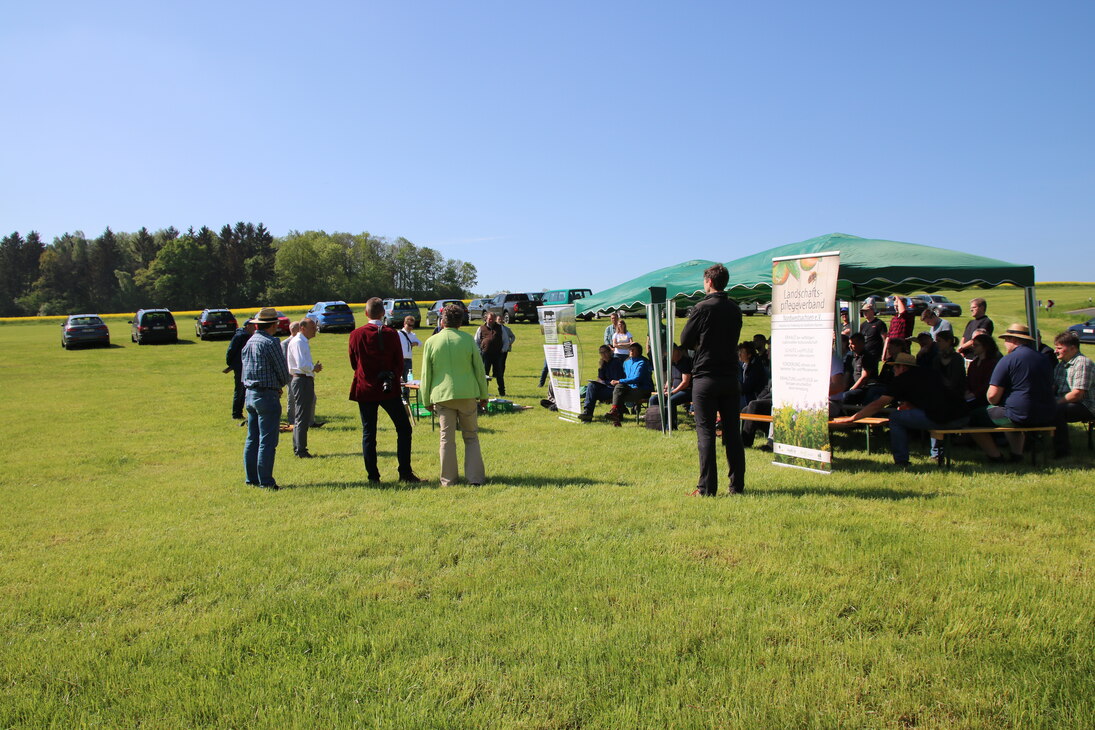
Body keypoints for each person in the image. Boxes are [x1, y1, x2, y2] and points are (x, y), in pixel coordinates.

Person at [833, 352, 969, 466]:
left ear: (902, 367)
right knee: (930, 414)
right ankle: (936, 454)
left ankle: (901, 461)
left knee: (896, 418)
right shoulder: (931, 373)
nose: (893, 371)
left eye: (895, 367)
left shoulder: (902, 380)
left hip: (942, 418)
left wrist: (853, 418)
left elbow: (878, 404)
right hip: (963, 416)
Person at [680, 263, 745, 496]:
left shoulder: (701, 307)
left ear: (709, 281)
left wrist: (701, 342)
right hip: (730, 376)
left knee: (706, 432)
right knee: (732, 434)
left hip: (706, 376)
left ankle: (706, 488)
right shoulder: (735, 309)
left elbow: (685, 340)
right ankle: (737, 487)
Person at [348, 297, 421, 483]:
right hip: (388, 388)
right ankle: (405, 472)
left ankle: (373, 476)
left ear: (366, 313)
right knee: (404, 428)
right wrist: (392, 376)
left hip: (365, 388)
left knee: (369, 433)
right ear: (383, 313)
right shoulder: (391, 333)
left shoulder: (356, 334)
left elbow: (353, 362)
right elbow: (399, 362)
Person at [421, 303, 489, 486]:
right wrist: (484, 395)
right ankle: (475, 478)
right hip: (467, 394)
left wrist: (425, 399)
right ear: (461, 322)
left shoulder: (431, 341)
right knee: (471, 436)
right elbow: (479, 370)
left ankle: (448, 480)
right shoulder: (467, 340)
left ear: (443, 321)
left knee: (446, 439)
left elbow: (426, 373)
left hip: (443, 396)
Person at [969, 323, 1055, 462]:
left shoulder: (1008, 359)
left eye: (1006, 340)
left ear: (1013, 340)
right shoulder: (1044, 359)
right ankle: (1016, 455)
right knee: (1008, 416)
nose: (1005, 344)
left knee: (973, 418)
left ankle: (995, 456)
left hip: (1019, 414)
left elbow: (992, 396)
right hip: (1047, 412)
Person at [240, 308, 291, 489]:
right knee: (267, 441)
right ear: (273, 324)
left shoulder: (249, 341)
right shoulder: (271, 342)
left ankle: (251, 478)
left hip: (250, 394)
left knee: (252, 438)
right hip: (267, 395)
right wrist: (279, 386)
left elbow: (244, 371)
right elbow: (283, 371)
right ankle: (266, 482)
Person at [1051, 331, 1095, 458]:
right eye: (1055, 348)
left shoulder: (1083, 363)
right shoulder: (1061, 365)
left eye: (1059, 348)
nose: (1055, 351)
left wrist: (1054, 402)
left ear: (1073, 348)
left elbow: (1078, 394)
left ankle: (1062, 452)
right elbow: (1054, 387)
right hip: (1066, 401)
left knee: (1057, 410)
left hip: (1086, 405)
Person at [287, 318, 323, 458]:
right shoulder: (299, 342)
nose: (315, 330)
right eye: (312, 328)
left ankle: (299, 447)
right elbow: (302, 364)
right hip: (302, 380)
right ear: (302, 328)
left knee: (301, 415)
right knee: (302, 416)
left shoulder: (302, 342)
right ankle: (301, 450)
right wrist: (314, 368)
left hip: (303, 379)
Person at [606, 343, 654, 426]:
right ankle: (616, 415)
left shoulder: (642, 362)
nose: (630, 351)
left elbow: (637, 378)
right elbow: (623, 375)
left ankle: (616, 415)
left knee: (618, 392)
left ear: (639, 352)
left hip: (643, 390)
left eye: (633, 350)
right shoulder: (626, 362)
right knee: (618, 391)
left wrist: (619, 381)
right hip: (630, 389)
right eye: (630, 349)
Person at [649, 343, 693, 427]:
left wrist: (672, 392)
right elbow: (671, 379)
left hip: (687, 391)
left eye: (669, 354)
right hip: (675, 390)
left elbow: (685, 382)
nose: (668, 357)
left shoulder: (685, 362)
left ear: (676, 351)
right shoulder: (672, 363)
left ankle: (671, 425)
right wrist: (666, 388)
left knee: (671, 400)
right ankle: (655, 423)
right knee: (654, 399)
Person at [578, 345, 625, 421]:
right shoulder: (604, 364)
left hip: (615, 389)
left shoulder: (616, 362)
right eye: (601, 353)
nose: (603, 355)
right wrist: (601, 367)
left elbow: (616, 380)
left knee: (592, 392)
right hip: (607, 387)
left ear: (610, 352)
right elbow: (600, 379)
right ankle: (587, 413)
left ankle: (588, 414)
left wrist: (604, 382)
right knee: (591, 385)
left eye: (605, 352)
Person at [475, 311, 514, 397]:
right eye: (489, 319)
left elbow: (506, 340)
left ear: (495, 319)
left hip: (498, 355)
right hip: (485, 355)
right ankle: (483, 392)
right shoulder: (481, 328)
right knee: (484, 375)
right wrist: (479, 351)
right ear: (486, 319)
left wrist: (503, 349)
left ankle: (502, 392)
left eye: (492, 319)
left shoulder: (500, 328)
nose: (491, 321)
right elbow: (476, 341)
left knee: (499, 374)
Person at [224, 320, 256, 423]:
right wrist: (232, 365)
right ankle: (236, 414)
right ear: (247, 326)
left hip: (245, 366)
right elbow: (231, 351)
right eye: (253, 326)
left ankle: (242, 412)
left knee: (244, 390)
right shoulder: (240, 336)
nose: (255, 328)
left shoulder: (246, 336)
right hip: (240, 367)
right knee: (240, 390)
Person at [843, 332, 881, 406]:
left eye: (852, 343)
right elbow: (847, 374)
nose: (850, 346)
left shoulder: (867, 357)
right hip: (851, 386)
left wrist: (851, 389)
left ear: (861, 343)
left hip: (864, 388)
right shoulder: (850, 357)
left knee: (846, 396)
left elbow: (864, 377)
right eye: (849, 343)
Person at [965, 333, 1001, 407]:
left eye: (976, 345)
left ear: (985, 347)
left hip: (984, 401)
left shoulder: (992, 364)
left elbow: (988, 384)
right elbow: (969, 380)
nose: (973, 347)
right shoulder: (974, 363)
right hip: (971, 398)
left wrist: (974, 394)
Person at [931, 331, 966, 402]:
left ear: (948, 341)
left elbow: (955, 381)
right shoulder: (937, 359)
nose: (937, 344)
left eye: (939, 341)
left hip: (955, 396)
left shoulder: (957, 358)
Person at [882, 295, 915, 361]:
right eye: (895, 306)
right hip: (892, 349)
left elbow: (902, 312)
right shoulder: (894, 319)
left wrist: (898, 298)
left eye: (897, 306)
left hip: (902, 349)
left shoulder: (908, 317)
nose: (896, 308)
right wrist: (884, 353)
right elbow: (888, 337)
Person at [282, 321, 301, 427]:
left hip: (301, 375)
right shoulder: (285, 343)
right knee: (292, 398)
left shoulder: (301, 341)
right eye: (299, 328)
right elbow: (285, 361)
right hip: (291, 376)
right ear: (293, 330)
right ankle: (291, 420)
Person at [738, 341, 767, 408]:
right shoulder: (743, 365)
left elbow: (747, 387)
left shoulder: (756, 368)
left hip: (754, 399)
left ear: (749, 355)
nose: (739, 354)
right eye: (739, 352)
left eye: (742, 352)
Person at [398, 315, 421, 385]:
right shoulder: (399, 334)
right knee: (399, 379)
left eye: (412, 326)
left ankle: (406, 395)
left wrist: (415, 343)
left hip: (408, 360)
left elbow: (420, 343)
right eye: (409, 325)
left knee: (408, 380)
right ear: (404, 324)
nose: (411, 327)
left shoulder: (412, 335)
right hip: (400, 359)